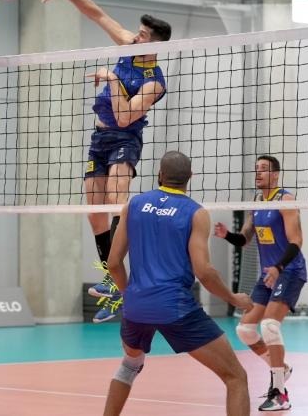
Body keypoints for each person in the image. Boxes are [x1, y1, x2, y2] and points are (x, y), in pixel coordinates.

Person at [30, 0, 171, 323]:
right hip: (99, 139)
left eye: (142, 36)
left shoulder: (155, 82)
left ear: (155, 43)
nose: (135, 38)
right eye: (136, 33)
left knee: (116, 198)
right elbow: (95, 13)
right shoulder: (126, 44)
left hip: (126, 139)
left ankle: (120, 271)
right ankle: (114, 278)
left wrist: (111, 78)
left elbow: (124, 117)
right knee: (95, 211)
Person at [104, 151, 252, 416]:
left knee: (129, 364)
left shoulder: (133, 205)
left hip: (136, 307)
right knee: (236, 377)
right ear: (190, 177)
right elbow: (204, 272)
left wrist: (130, 295)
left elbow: (113, 262)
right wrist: (233, 298)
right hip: (174, 307)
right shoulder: (195, 213)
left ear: (160, 175)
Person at [214, 154, 306, 411]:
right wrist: (227, 235)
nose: (258, 174)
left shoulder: (285, 200)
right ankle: (282, 369)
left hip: (289, 271)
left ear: (275, 175)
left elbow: (296, 240)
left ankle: (279, 393)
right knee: (245, 330)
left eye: (264, 170)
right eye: (257, 169)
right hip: (267, 275)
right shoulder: (256, 201)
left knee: (269, 326)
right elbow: (244, 239)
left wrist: (279, 267)